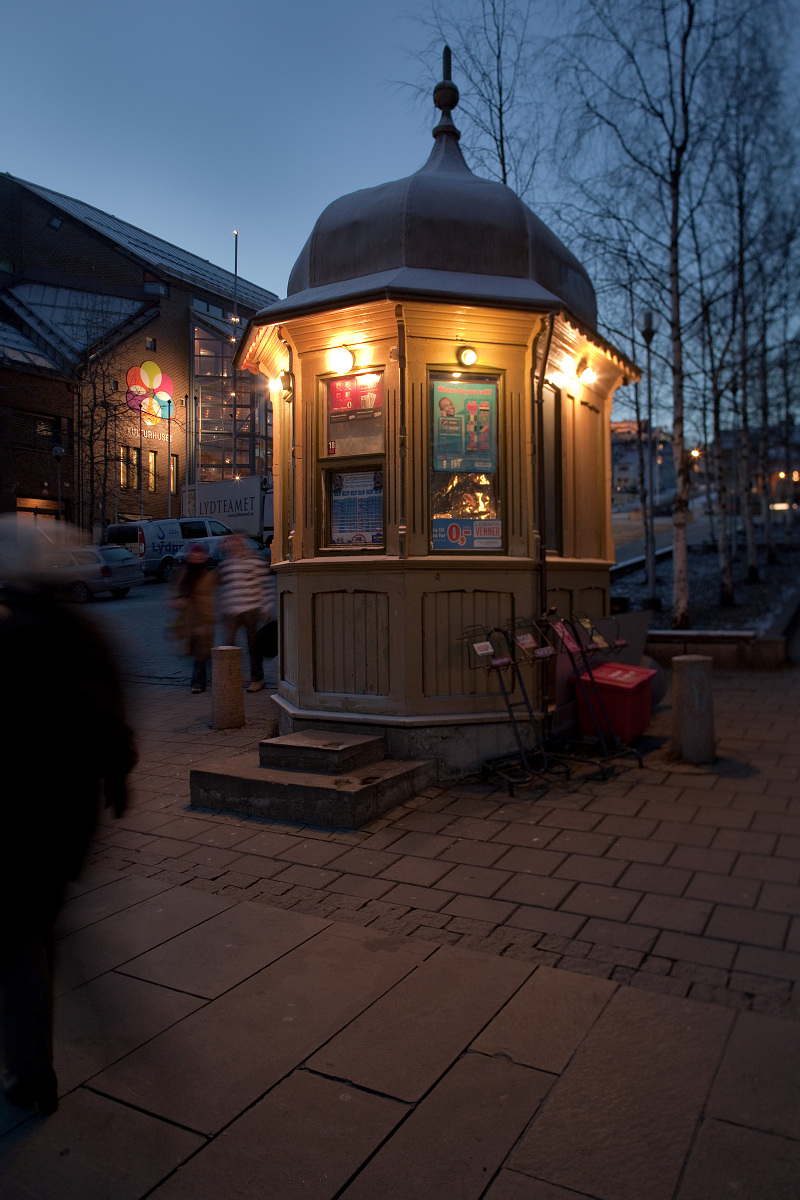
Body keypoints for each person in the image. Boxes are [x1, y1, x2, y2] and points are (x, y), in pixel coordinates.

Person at [0, 519, 137, 1114]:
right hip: (71, 814)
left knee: (20, 939)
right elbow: (111, 711)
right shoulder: (84, 632)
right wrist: (117, 775)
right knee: (36, 924)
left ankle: (31, 1075)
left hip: (17, 818)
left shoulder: (11, 637)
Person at [217, 535, 270, 692]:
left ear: (242, 544)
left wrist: (265, 608)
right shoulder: (226, 564)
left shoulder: (255, 561)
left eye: (235, 543)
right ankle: (230, 677)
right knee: (228, 645)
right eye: (229, 544)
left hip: (250, 609)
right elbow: (225, 587)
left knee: (253, 646)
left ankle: (257, 679)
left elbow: (264, 584)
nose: (232, 547)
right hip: (231, 611)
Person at [170, 542, 217, 694]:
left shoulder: (208, 575)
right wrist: (177, 601)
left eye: (200, 556)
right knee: (198, 652)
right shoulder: (184, 574)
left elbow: (210, 598)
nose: (196, 558)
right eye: (194, 556)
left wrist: (208, 619)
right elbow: (175, 593)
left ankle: (198, 683)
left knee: (200, 652)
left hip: (203, 618)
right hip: (188, 619)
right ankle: (202, 679)